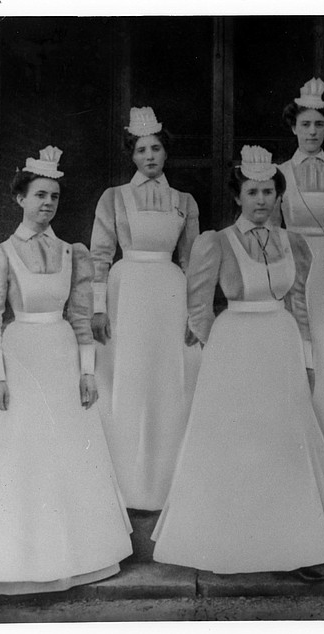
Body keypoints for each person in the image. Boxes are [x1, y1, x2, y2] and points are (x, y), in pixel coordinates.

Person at [0, 147, 132, 594]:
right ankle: (7, 555)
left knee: (67, 451)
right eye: (39, 195)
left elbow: (80, 319)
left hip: (60, 356)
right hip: (21, 359)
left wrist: (87, 371)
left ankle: (74, 555)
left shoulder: (71, 252)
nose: (47, 204)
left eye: (54, 196)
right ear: (20, 198)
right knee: (15, 455)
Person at [151, 146, 324, 580]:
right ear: (238, 197)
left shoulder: (294, 243)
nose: (261, 200)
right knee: (239, 443)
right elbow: (197, 307)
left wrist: (306, 361)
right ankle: (230, 545)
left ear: (278, 197)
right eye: (253, 192)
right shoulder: (216, 241)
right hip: (236, 344)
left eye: (268, 192)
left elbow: (300, 305)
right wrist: (221, 352)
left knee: (284, 442)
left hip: (281, 341)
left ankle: (296, 547)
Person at [90, 106, 201, 511]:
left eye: (155, 148)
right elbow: (100, 256)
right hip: (128, 292)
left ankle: (165, 483)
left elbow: (193, 262)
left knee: (167, 380)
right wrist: (99, 307)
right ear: (131, 155)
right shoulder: (114, 197)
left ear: (165, 152)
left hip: (170, 294)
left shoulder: (183, 201)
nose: (149, 157)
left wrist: (196, 311)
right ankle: (128, 483)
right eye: (141, 150)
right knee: (129, 380)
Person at [268, 77, 324, 460]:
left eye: (319, 124)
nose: (312, 131)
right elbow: (270, 230)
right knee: (296, 344)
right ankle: (293, 444)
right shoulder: (279, 172)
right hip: (292, 259)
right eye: (305, 124)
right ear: (293, 127)